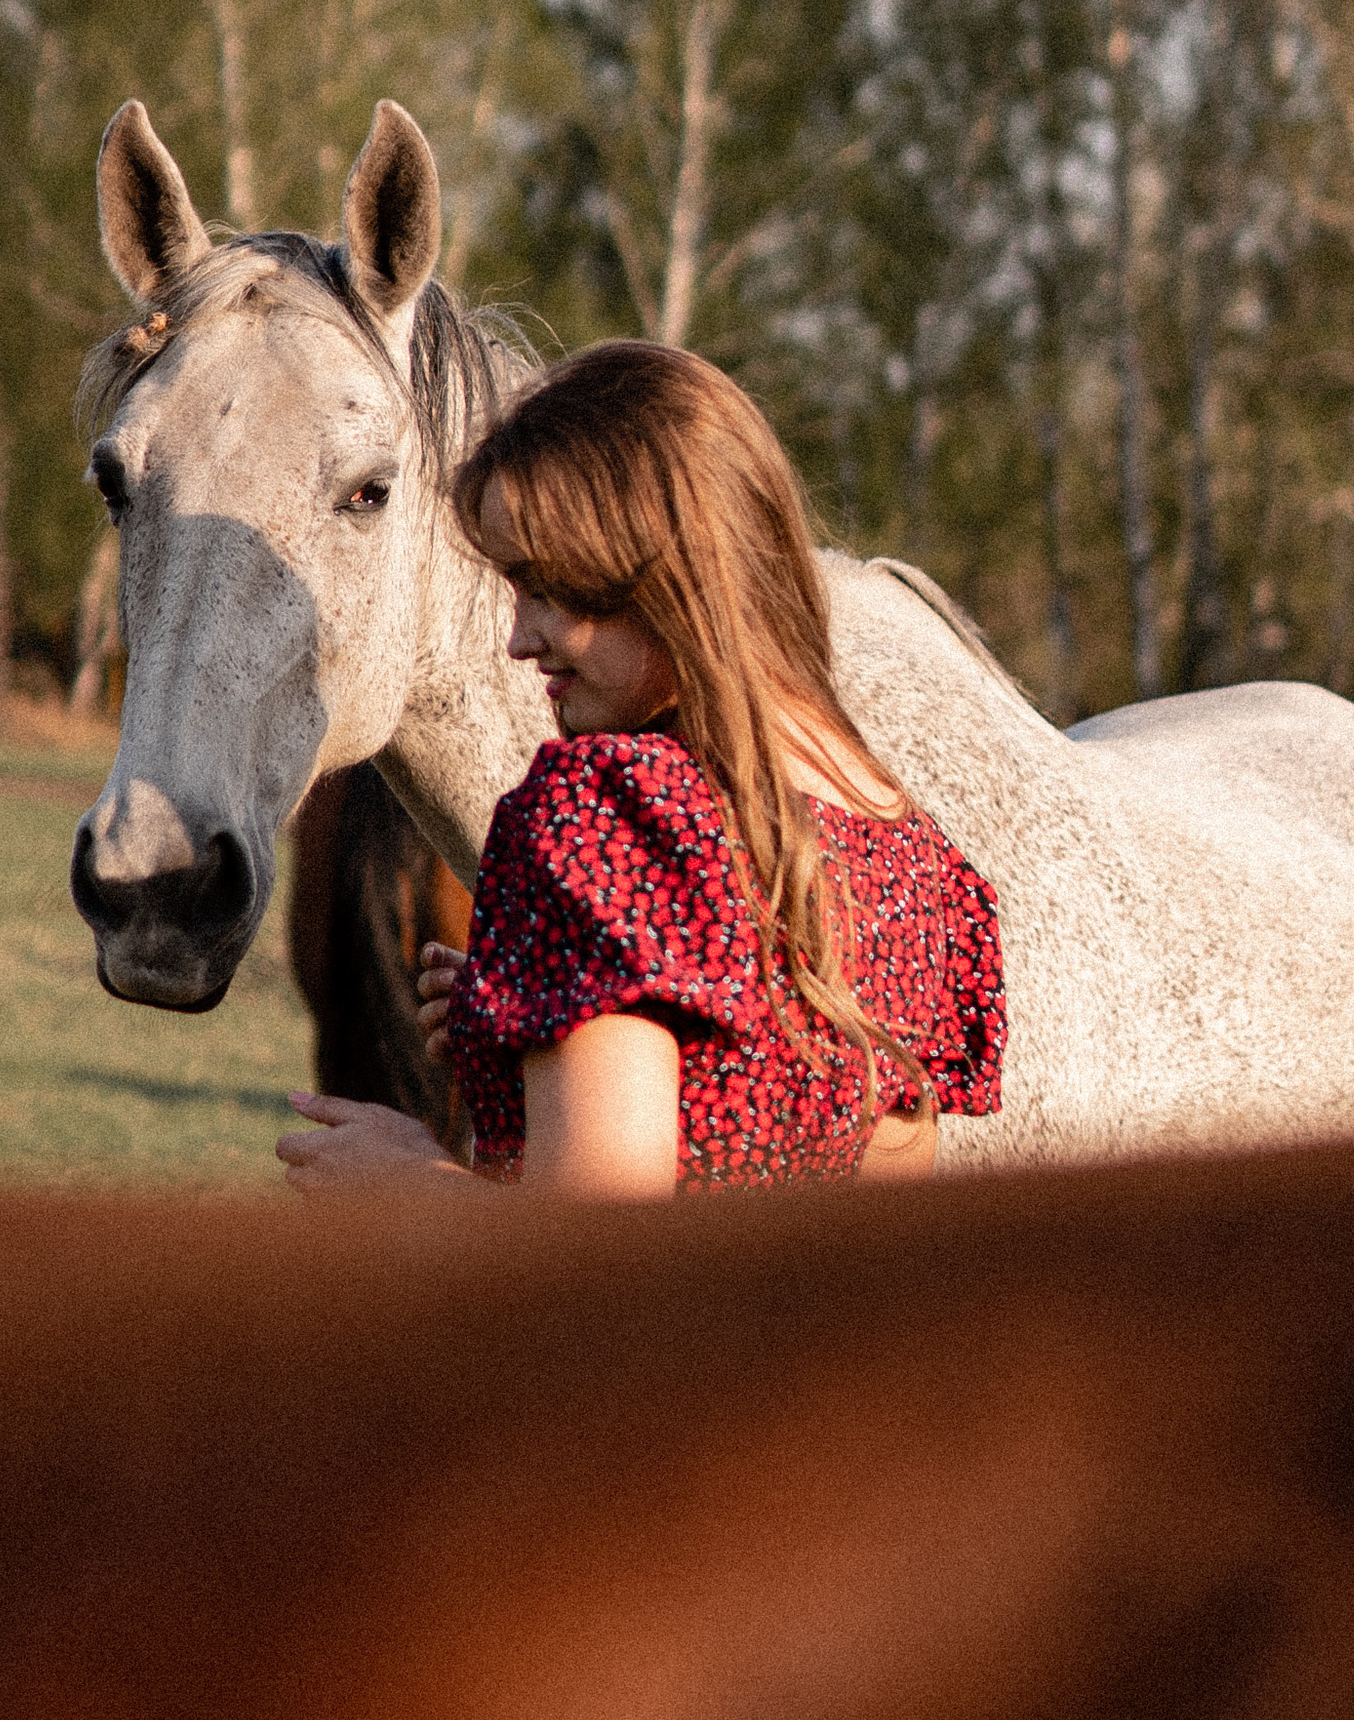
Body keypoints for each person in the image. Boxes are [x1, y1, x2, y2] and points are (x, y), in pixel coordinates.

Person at [275, 342, 1003, 1199]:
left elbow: (600, 1253)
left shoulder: (607, 815)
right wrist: (548, 1003)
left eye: (546, 587)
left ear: (667, 572)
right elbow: (848, 1202)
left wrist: (410, 1182)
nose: (520, 639)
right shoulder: (911, 852)